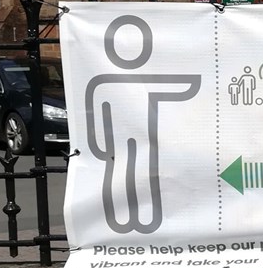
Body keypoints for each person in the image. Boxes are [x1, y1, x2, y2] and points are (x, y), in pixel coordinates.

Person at [84, 14, 201, 233]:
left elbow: (180, 87)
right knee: (118, 182)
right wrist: (103, 147)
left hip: (142, 142)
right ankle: (121, 225)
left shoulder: (112, 83)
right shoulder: (105, 83)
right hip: (119, 147)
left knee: (145, 181)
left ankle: (144, 223)